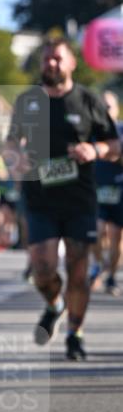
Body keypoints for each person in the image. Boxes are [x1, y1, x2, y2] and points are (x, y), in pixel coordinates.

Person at [4, 37, 120, 360]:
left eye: (57, 58)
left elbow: (115, 145)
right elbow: (11, 142)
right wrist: (15, 160)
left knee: (78, 270)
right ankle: (54, 304)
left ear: (71, 64)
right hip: (40, 196)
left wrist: (94, 149)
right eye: (46, 59)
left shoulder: (88, 101)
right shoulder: (28, 101)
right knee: (42, 268)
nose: (50, 64)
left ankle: (74, 334)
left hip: (79, 199)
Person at [89, 91, 123, 296]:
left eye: (109, 106)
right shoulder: (92, 131)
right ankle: (98, 266)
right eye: (102, 107)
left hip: (119, 189)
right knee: (97, 231)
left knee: (117, 238)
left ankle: (111, 276)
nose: (106, 111)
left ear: (117, 108)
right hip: (98, 188)